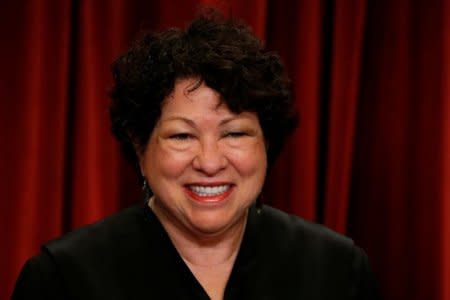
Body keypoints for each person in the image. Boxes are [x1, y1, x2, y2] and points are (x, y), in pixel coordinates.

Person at [12, 13, 379, 300]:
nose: (209, 161)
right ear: (141, 148)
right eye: (182, 136)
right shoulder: (63, 279)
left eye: (234, 133)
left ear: (266, 144)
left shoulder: (337, 269)